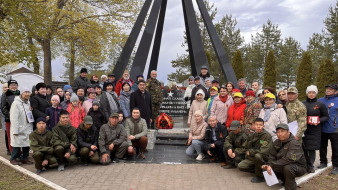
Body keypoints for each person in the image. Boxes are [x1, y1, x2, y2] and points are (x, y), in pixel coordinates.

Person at [262, 123, 307, 190]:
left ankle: (290, 187)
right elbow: (272, 156)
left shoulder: (294, 143)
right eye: (278, 132)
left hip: (298, 167)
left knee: (288, 168)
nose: (280, 134)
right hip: (283, 164)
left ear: (288, 132)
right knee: (265, 165)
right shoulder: (277, 142)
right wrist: (269, 165)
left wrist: (272, 165)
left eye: (282, 131)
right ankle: (285, 180)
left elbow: (290, 159)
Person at [302, 85, 329, 173]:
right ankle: (304, 165)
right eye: (309, 92)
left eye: (313, 92)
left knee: (312, 148)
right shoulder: (303, 104)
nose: (311, 94)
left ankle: (310, 166)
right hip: (304, 129)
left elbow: (326, 117)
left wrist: (318, 121)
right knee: (304, 148)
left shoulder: (320, 104)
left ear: (316, 93)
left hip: (315, 130)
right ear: (307, 93)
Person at [238, 118, 273, 183]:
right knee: (241, 166)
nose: (258, 126)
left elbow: (264, 151)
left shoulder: (267, 136)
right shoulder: (252, 135)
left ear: (263, 126)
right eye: (257, 125)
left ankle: (260, 176)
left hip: (264, 158)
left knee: (258, 156)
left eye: (260, 125)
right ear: (254, 125)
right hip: (252, 157)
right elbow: (245, 146)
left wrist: (251, 152)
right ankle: (258, 169)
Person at [9, 87, 34, 165]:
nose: (27, 94)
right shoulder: (16, 103)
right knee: (17, 143)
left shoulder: (28, 102)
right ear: (21, 93)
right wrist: (15, 130)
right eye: (25, 92)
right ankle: (13, 158)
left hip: (27, 126)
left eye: (28, 92)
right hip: (19, 127)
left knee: (27, 143)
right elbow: (13, 118)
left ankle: (24, 158)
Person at [318, 84, 338, 174]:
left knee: (335, 148)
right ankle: (323, 162)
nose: (328, 90)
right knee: (322, 147)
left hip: (334, 129)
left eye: (331, 89)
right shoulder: (320, 100)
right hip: (322, 128)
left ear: (336, 91)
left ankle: (336, 166)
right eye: (327, 88)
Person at [2, 80, 20, 154]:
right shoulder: (5, 95)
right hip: (9, 120)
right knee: (11, 136)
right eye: (12, 85)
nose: (14, 86)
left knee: (18, 136)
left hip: (19, 120)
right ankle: (12, 152)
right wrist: (11, 117)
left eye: (15, 85)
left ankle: (18, 152)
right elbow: (3, 108)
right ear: (9, 86)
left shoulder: (19, 94)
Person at [0, 83, 10, 155]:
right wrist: (7, 115)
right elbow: (1, 108)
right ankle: (8, 149)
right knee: (7, 133)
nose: (6, 88)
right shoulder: (2, 96)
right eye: (5, 87)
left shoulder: (11, 96)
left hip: (12, 118)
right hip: (5, 117)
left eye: (7, 87)